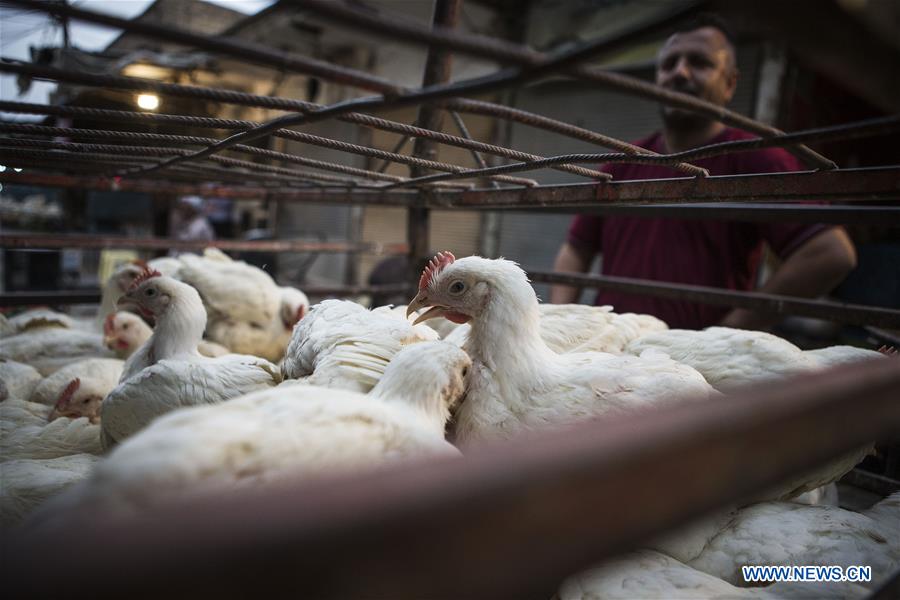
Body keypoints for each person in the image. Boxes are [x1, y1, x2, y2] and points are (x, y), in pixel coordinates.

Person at [550, 14, 857, 330]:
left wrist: (730, 331)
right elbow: (577, 247)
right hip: (612, 354)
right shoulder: (623, 161)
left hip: (695, 368)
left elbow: (829, 253)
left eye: (699, 63)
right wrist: (560, 328)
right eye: (669, 64)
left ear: (730, 83)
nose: (679, 73)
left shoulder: (754, 159)